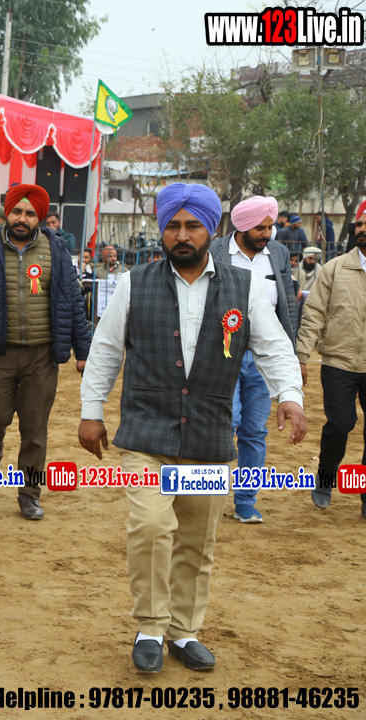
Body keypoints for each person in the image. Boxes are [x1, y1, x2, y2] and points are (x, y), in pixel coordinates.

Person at [78, 182, 305, 674]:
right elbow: (106, 350)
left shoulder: (243, 287)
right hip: (147, 432)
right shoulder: (135, 283)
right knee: (151, 525)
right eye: (173, 226)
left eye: (193, 226)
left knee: (198, 539)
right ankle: (150, 627)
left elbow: (273, 346)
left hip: (207, 434)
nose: (182, 235)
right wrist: (91, 411)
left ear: (212, 230)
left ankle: (183, 631)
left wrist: (290, 395)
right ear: (162, 230)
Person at [0, 183, 91, 519]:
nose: (22, 218)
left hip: (41, 356)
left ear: (39, 218)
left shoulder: (56, 249)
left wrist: (82, 350)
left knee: (34, 428)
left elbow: (72, 301)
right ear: (7, 213)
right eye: (17, 211)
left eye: (30, 214)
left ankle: (29, 494)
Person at [211, 196, 298, 523]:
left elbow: (287, 305)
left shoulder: (279, 253)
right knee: (224, 424)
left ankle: (246, 502)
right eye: (260, 227)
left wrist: (292, 354)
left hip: (263, 359)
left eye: (270, 226)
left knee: (254, 431)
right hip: (222, 355)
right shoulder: (215, 251)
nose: (267, 233)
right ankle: (210, 498)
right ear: (242, 226)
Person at [296, 199, 366, 518]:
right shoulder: (335, 268)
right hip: (338, 362)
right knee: (341, 424)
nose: (361, 229)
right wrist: (301, 355)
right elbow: (313, 314)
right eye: (359, 224)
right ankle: (325, 480)